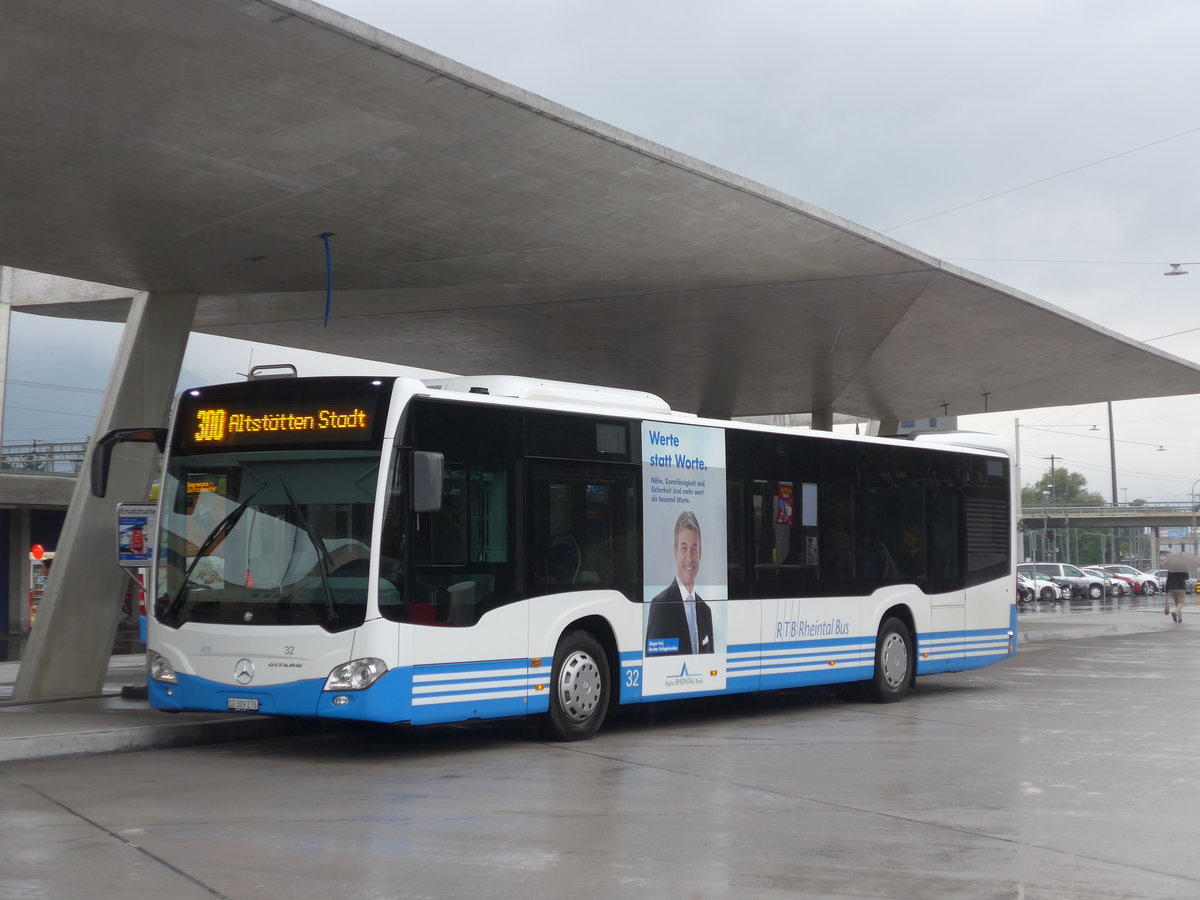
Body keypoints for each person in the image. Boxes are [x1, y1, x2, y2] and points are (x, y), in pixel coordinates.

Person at [646, 510, 714, 655]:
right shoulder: (660, 606)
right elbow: (653, 663)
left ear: (700, 553)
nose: (689, 558)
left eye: (694, 549)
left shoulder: (706, 611)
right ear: (675, 552)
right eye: (684, 548)